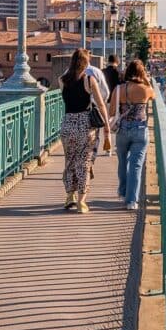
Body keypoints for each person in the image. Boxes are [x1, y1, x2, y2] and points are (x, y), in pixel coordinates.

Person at [59, 49, 110, 213]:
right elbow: (101, 104)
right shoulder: (89, 80)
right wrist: (107, 128)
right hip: (85, 125)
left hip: (68, 124)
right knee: (84, 163)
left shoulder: (62, 80)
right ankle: (81, 201)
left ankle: (69, 196)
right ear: (85, 63)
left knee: (70, 161)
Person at [111, 60, 154, 210]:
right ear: (142, 73)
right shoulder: (145, 89)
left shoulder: (118, 89)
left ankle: (122, 192)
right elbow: (153, 94)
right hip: (140, 129)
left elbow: (111, 112)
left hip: (122, 129)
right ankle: (131, 201)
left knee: (122, 162)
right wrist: (146, 78)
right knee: (136, 165)